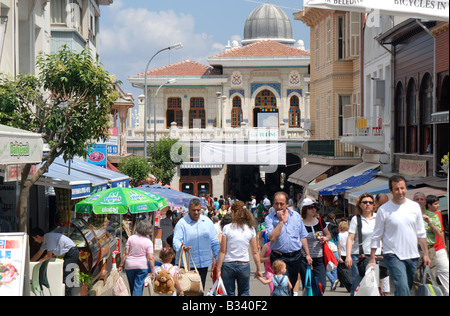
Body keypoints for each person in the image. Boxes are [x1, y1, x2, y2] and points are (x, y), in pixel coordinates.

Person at [369, 175, 430, 296]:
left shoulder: (414, 207)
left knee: (405, 287)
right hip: (393, 254)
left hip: (412, 255)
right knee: (402, 287)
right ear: (391, 191)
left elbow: (421, 232)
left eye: (402, 188)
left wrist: (426, 254)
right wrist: (372, 256)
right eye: (396, 189)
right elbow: (377, 234)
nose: (400, 192)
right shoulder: (384, 210)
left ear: (406, 189)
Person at [265, 192, 312, 296]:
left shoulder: (296, 216)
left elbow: (303, 236)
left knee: (292, 284)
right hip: (279, 257)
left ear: (287, 204)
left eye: (281, 204)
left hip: (295, 257)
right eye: (276, 204)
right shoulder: (269, 218)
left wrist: (307, 254)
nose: (279, 206)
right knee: (283, 286)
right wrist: (280, 221)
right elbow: (272, 238)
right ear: (273, 204)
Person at [215, 201, 262, 296]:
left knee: (229, 293)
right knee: (244, 292)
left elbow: (223, 251)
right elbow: (255, 252)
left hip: (228, 264)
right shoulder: (250, 229)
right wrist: (259, 269)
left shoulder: (227, 228)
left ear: (232, 212)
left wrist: (218, 269)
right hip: (243, 264)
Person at [173, 198, 220, 291]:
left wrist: (218, 260)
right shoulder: (182, 223)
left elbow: (214, 242)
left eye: (198, 210)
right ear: (189, 209)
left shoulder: (207, 222)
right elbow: (176, 241)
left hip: (203, 264)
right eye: (193, 210)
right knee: (187, 291)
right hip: (187, 265)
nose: (196, 212)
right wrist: (181, 248)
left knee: (199, 290)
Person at [345, 193, 381, 295]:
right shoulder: (356, 219)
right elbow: (350, 238)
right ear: (360, 205)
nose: (368, 204)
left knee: (372, 288)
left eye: (370, 202)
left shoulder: (378, 218)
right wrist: (348, 256)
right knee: (357, 286)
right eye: (365, 202)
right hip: (358, 257)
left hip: (375, 256)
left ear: (374, 205)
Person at [30, 228, 80, 296]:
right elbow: (38, 254)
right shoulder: (45, 241)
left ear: (38, 236)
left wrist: (38, 263)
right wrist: (29, 262)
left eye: (34, 239)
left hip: (72, 253)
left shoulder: (49, 238)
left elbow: (49, 256)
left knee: (67, 277)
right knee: (65, 276)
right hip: (68, 254)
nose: (35, 241)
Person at [298, 198, 331, 295]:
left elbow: (329, 235)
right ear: (305, 209)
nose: (314, 209)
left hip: (319, 258)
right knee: (308, 285)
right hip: (305, 258)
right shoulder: (300, 223)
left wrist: (325, 238)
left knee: (322, 285)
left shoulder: (320, 221)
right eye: (311, 207)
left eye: (315, 207)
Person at [411, 192, 440, 294]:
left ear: (425, 201)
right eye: (416, 199)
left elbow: (438, 233)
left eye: (421, 199)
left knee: (430, 277)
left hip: (429, 248)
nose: (419, 201)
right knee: (416, 277)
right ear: (413, 201)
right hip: (415, 248)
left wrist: (429, 222)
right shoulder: (410, 215)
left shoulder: (432, 215)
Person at [118, 220, 155, 296]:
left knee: (132, 287)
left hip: (129, 266)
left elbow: (125, 253)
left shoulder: (131, 238)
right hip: (142, 266)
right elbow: (151, 258)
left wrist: (120, 265)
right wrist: (153, 271)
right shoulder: (148, 242)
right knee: (138, 287)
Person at [425, 195, 449, 296]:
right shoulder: (423, 215)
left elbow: (441, 231)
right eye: (435, 204)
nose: (438, 205)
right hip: (428, 250)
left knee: (446, 272)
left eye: (438, 203)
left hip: (439, 249)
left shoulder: (438, 214)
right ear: (429, 205)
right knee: (430, 277)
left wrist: (444, 246)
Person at [325, 213, 340, 291]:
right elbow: (338, 245)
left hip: (329, 253)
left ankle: (333, 281)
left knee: (325, 269)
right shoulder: (337, 235)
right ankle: (333, 285)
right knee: (334, 269)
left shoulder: (328, 236)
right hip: (336, 253)